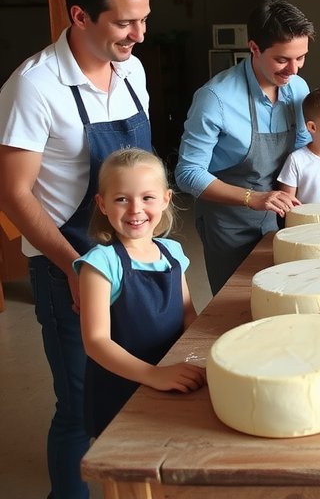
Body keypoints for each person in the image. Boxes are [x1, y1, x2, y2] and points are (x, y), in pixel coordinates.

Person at [0, 0, 157, 499]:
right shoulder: (34, 86)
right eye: (124, 22)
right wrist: (75, 266)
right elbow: (14, 193)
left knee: (139, 380)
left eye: (143, 19)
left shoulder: (132, 70)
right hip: (66, 260)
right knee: (80, 402)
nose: (138, 34)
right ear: (81, 16)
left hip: (135, 254)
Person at [175, 0, 314, 295]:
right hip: (228, 221)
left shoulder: (298, 89)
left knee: (282, 298)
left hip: (281, 212)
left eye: (301, 57)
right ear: (254, 48)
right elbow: (187, 173)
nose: (294, 70)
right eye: (282, 60)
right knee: (236, 302)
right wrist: (253, 198)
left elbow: (303, 147)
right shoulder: (216, 98)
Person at [75, 149, 204, 438]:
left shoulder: (173, 252)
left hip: (173, 374)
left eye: (147, 197)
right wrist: (154, 375)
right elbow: (95, 342)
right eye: (121, 199)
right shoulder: (99, 263)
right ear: (102, 204)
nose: (135, 209)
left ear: (166, 199)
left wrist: (205, 355)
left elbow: (187, 313)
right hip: (122, 387)